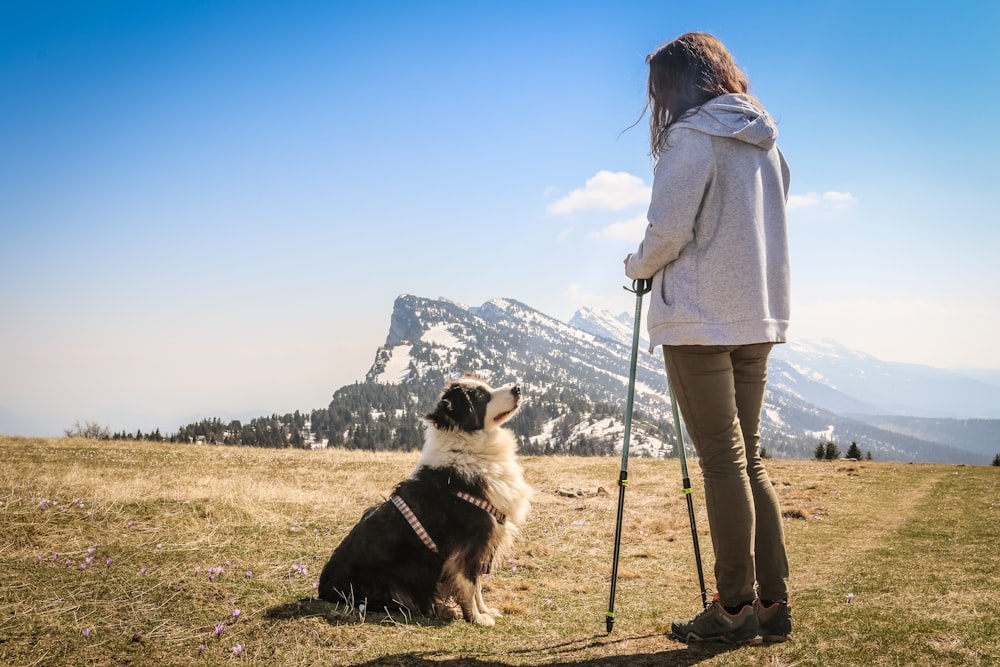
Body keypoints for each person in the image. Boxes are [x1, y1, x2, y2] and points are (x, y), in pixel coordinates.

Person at [623, 32, 792, 645]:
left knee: (722, 461)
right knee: (748, 457)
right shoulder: (765, 141)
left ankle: (732, 610)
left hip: (699, 318)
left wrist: (636, 265)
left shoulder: (690, 139)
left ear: (677, 85)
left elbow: (668, 229)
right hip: (758, 314)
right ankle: (772, 606)